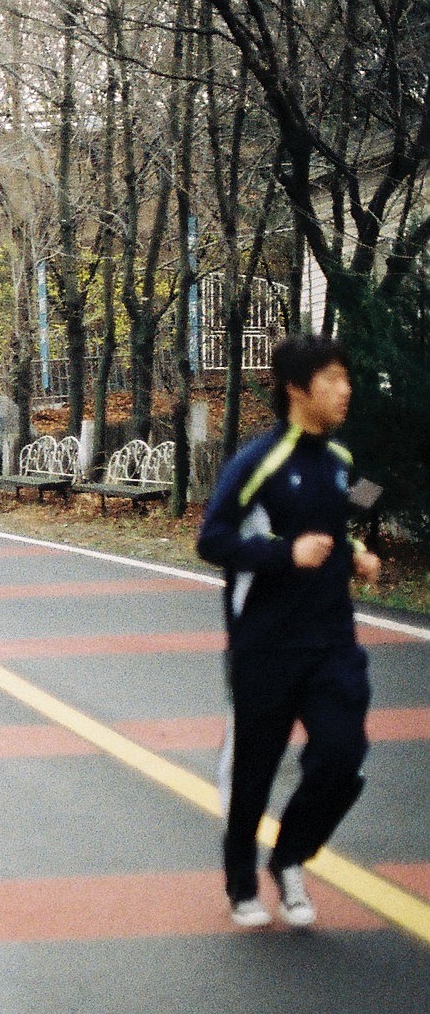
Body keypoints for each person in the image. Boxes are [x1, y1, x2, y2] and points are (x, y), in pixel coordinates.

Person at [197, 334, 383, 929]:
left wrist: (358, 552)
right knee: (254, 771)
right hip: (266, 644)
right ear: (298, 388)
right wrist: (286, 554)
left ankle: (290, 857)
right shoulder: (257, 462)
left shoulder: (342, 460)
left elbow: (350, 512)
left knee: (343, 755)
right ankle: (241, 882)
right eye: (333, 379)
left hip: (332, 642)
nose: (346, 390)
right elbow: (211, 539)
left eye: (347, 378)